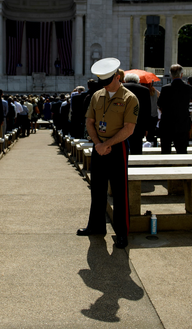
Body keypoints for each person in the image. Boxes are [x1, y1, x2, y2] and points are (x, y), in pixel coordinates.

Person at [78, 58, 138, 249]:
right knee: (97, 189)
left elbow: (129, 128)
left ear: (118, 77)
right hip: (99, 146)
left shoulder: (130, 98)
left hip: (117, 147)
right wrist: (98, 144)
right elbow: (89, 122)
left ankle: (121, 233)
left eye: (108, 81)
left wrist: (108, 144)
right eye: (101, 82)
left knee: (119, 192)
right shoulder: (97, 96)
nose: (104, 85)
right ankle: (96, 225)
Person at [157, 64, 192, 154]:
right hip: (182, 123)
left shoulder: (165, 89)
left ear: (171, 75)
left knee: (165, 151)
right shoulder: (188, 88)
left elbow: (159, 104)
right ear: (181, 74)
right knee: (182, 151)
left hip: (167, 124)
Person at [123, 73, 152, 154]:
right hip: (139, 124)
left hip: (123, 122)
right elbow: (147, 110)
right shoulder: (145, 90)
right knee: (137, 147)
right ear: (138, 80)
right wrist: (147, 127)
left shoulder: (121, 88)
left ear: (126, 80)